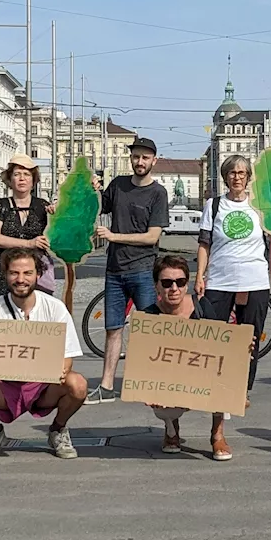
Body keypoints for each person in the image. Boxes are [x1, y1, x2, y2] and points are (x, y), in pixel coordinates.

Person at [0, 247, 88, 460]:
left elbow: (68, 356)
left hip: (43, 386)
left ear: (38, 274)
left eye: (27, 273)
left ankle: (58, 429)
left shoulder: (55, 308)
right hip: (5, 386)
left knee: (78, 384)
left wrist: (62, 371)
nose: (21, 279)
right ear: (6, 274)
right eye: (14, 273)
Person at [144, 255, 255, 461]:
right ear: (157, 286)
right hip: (171, 381)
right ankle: (171, 430)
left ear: (187, 285)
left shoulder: (202, 307)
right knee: (159, 399)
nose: (174, 288)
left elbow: (223, 348)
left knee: (225, 379)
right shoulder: (148, 318)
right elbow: (143, 363)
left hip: (203, 377)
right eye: (167, 283)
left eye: (180, 282)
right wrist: (148, 390)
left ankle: (217, 435)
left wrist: (243, 349)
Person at [89, 137, 169, 405]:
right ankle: (106, 385)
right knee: (113, 328)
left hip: (144, 269)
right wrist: (93, 189)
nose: (140, 162)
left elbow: (151, 237)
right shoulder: (119, 186)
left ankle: (150, 383)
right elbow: (99, 207)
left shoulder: (158, 194)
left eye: (145, 157)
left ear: (154, 161)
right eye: (136, 157)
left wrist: (114, 236)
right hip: (115, 271)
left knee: (149, 329)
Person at [195, 155, 271, 400]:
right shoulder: (214, 205)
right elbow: (204, 243)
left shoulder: (260, 205)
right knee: (216, 336)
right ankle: (216, 384)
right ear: (225, 177)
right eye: (232, 173)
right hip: (220, 279)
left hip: (254, 280)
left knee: (249, 337)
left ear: (249, 177)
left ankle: (242, 389)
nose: (237, 177)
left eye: (241, 173)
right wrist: (199, 276)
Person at [0, 153, 52, 298]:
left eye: (27, 174)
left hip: (36, 275)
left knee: (37, 315)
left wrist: (56, 216)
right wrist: (29, 243)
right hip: (6, 275)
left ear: (33, 180)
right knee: (5, 317)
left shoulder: (43, 206)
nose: (22, 178)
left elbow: (57, 237)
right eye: (17, 174)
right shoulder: (0, 205)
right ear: (10, 179)